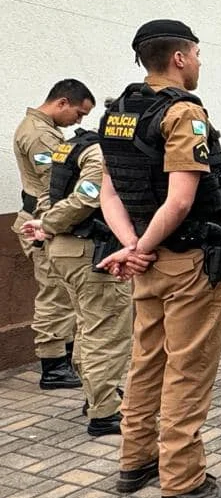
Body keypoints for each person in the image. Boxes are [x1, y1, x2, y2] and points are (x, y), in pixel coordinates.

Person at [97, 19, 221, 498]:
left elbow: (110, 191)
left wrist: (131, 247)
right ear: (180, 58)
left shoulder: (117, 111)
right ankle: (183, 481)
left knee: (147, 362)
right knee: (188, 369)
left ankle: (135, 461)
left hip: (145, 259)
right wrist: (143, 244)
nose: (200, 62)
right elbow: (182, 200)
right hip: (186, 259)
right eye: (198, 54)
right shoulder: (183, 113)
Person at [22, 123, 133, 436]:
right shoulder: (98, 152)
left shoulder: (70, 146)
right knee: (107, 332)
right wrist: (50, 224)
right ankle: (105, 412)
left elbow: (47, 193)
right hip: (89, 251)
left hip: (64, 252)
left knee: (87, 326)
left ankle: (97, 395)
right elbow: (86, 199)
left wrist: (45, 223)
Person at [12, 79, 94, 391]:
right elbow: (53, 186)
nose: (79, 120)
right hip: (42, 223)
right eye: (79, 112)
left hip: (49, 223)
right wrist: (55, 224)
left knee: (63, 293)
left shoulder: (46, 130)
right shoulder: (38, 134)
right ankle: (53, 366)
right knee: (53, 294)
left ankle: (67, 357)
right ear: (62, 102)